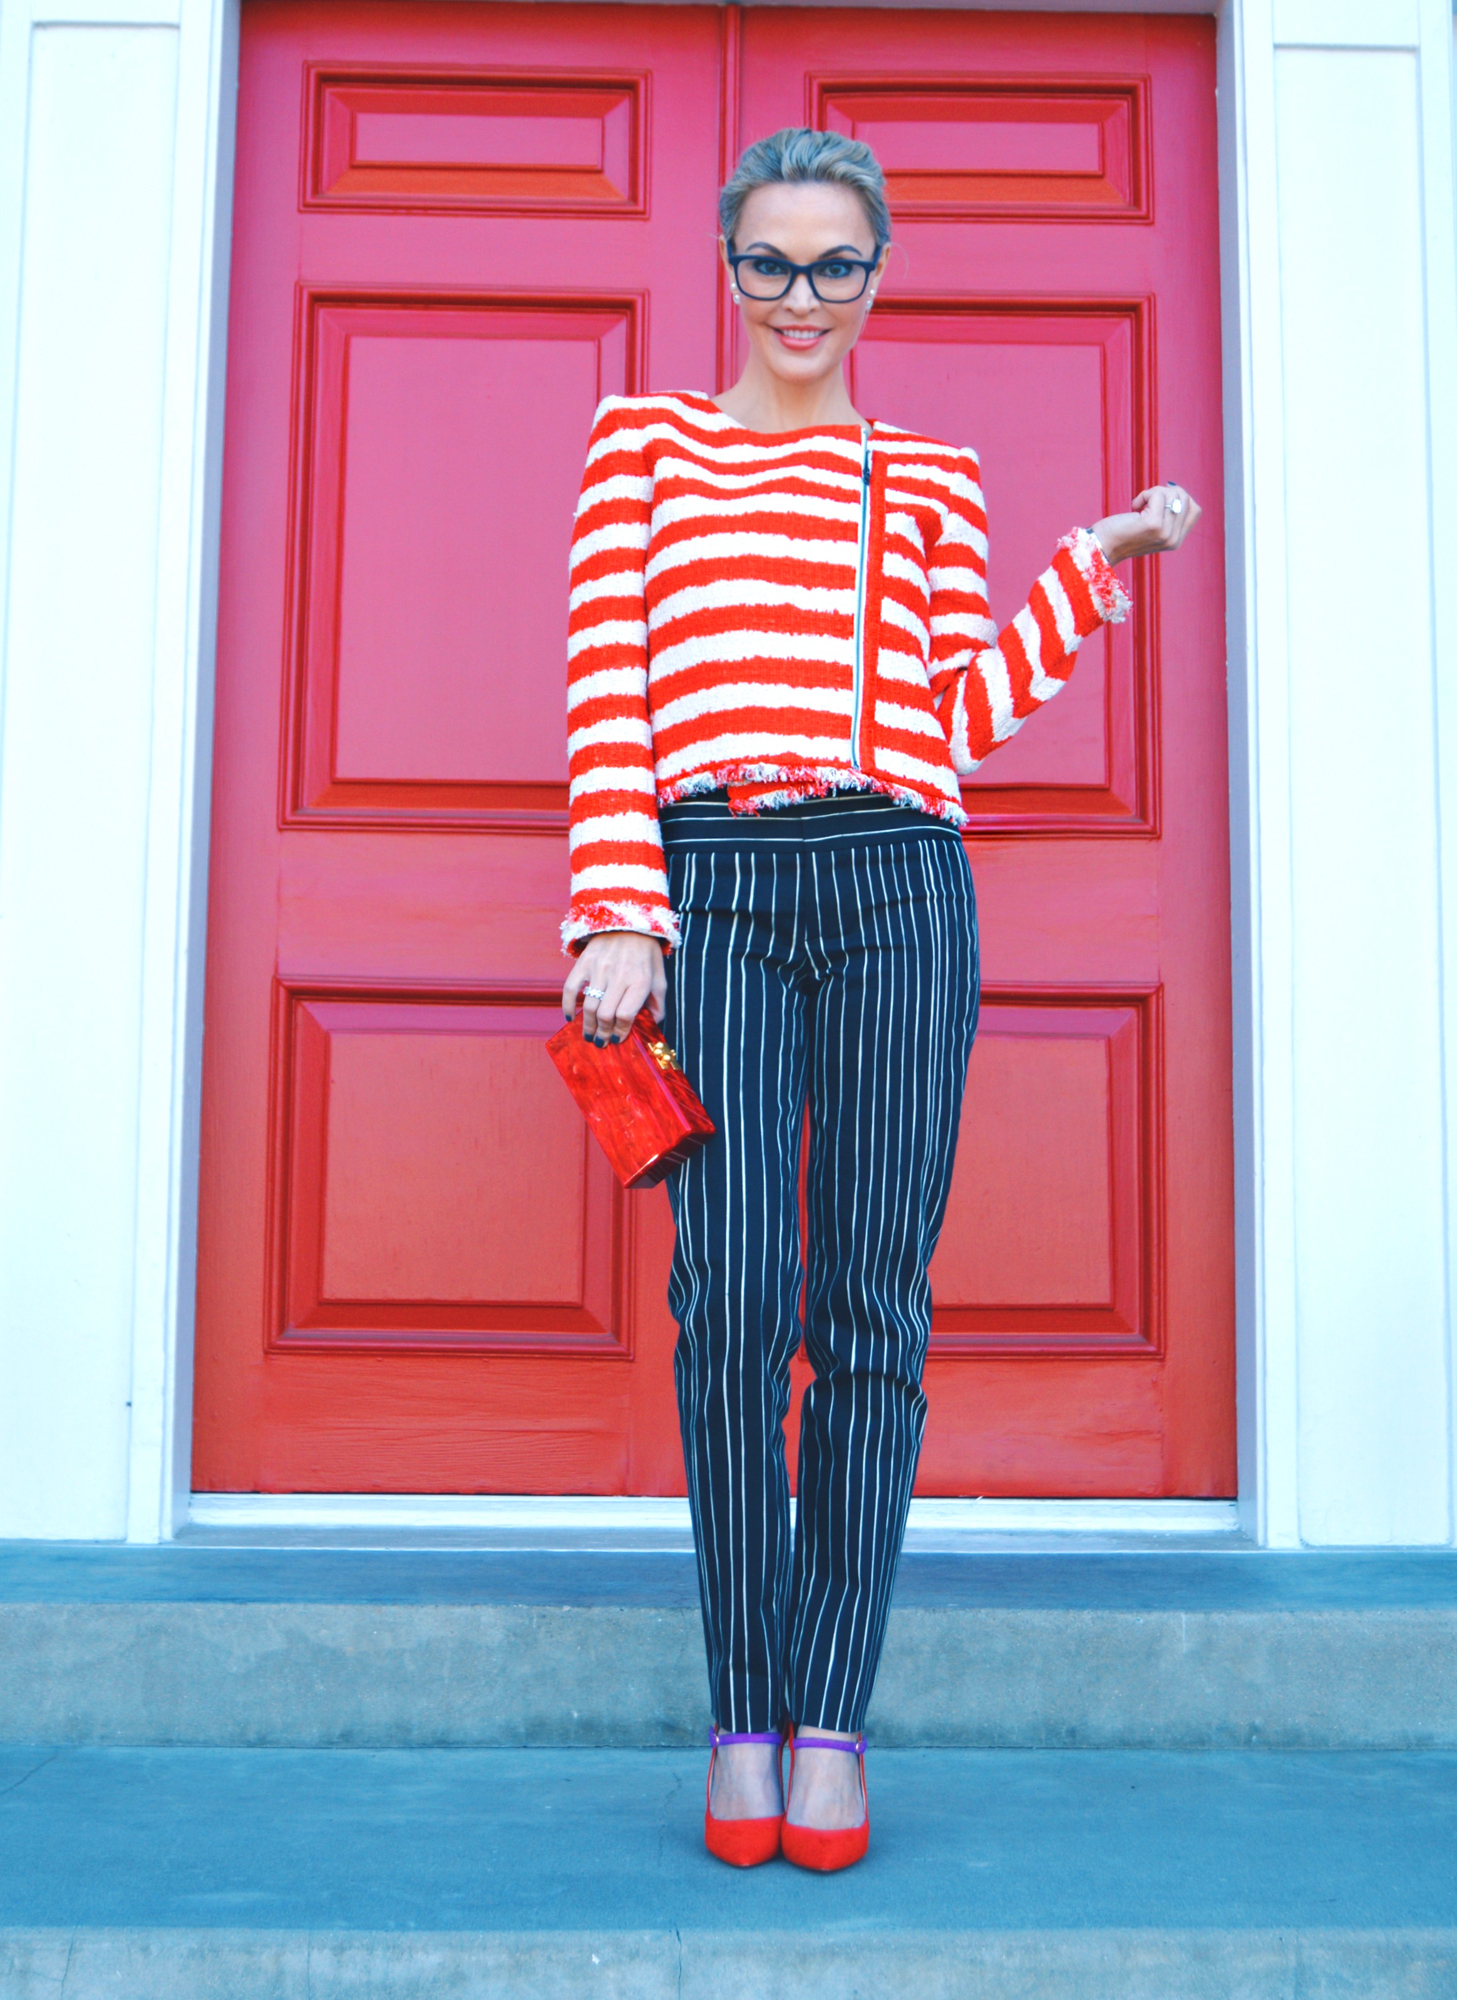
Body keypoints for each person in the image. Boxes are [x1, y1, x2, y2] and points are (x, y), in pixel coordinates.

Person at [560, 127, 1199, 1872]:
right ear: (726, 265)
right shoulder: (642, 453)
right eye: (768, 260)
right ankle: (739, 1707)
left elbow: (955, 715)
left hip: (901, 888)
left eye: (834, 263)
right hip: (714, 887)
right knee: (732, 1298)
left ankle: (829, 1717)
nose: (799, 297)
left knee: (869, 1307)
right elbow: (605, 690)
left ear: (876, 275)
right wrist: (618, 908)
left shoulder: (925, 476)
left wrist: (1090, 566)